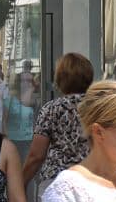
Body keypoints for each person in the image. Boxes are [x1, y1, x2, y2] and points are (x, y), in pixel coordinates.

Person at [22, 52, 94, 189]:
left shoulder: (51, 109)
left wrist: (21, 184)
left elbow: (36, 156)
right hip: (92, 181)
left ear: (60, 78)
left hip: (56, 182)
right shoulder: (100, 109)